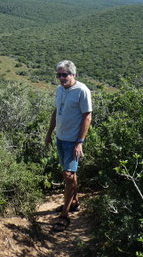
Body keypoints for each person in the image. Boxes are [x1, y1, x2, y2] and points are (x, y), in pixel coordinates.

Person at [45, 60, 92, 232]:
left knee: (67, 174)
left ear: (73, 75)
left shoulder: (82, 91)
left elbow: (87, 117)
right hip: (61, 138)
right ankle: (75, 202)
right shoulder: (59, 90)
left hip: (73, 140)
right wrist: (49, 133)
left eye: (64, 74)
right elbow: (56, 112)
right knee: (70, 175)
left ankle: (64, 216)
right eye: (59, 75)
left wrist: (80, 143)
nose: (61, 78)